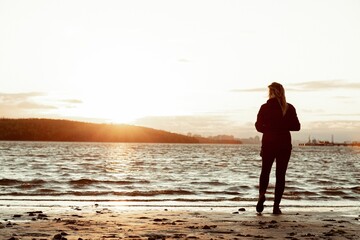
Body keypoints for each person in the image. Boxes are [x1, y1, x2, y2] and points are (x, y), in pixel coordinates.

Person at [255, 82, 300, 214]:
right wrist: (283, 126)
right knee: (280, 175)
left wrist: (268, 128)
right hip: (284, 144)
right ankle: (276, 206)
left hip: (268, 143)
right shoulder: (289, 108)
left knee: (265, 172)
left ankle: (262, 195)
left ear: (271, 93)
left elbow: (258, 126)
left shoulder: (264, 107)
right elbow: (297, 126)